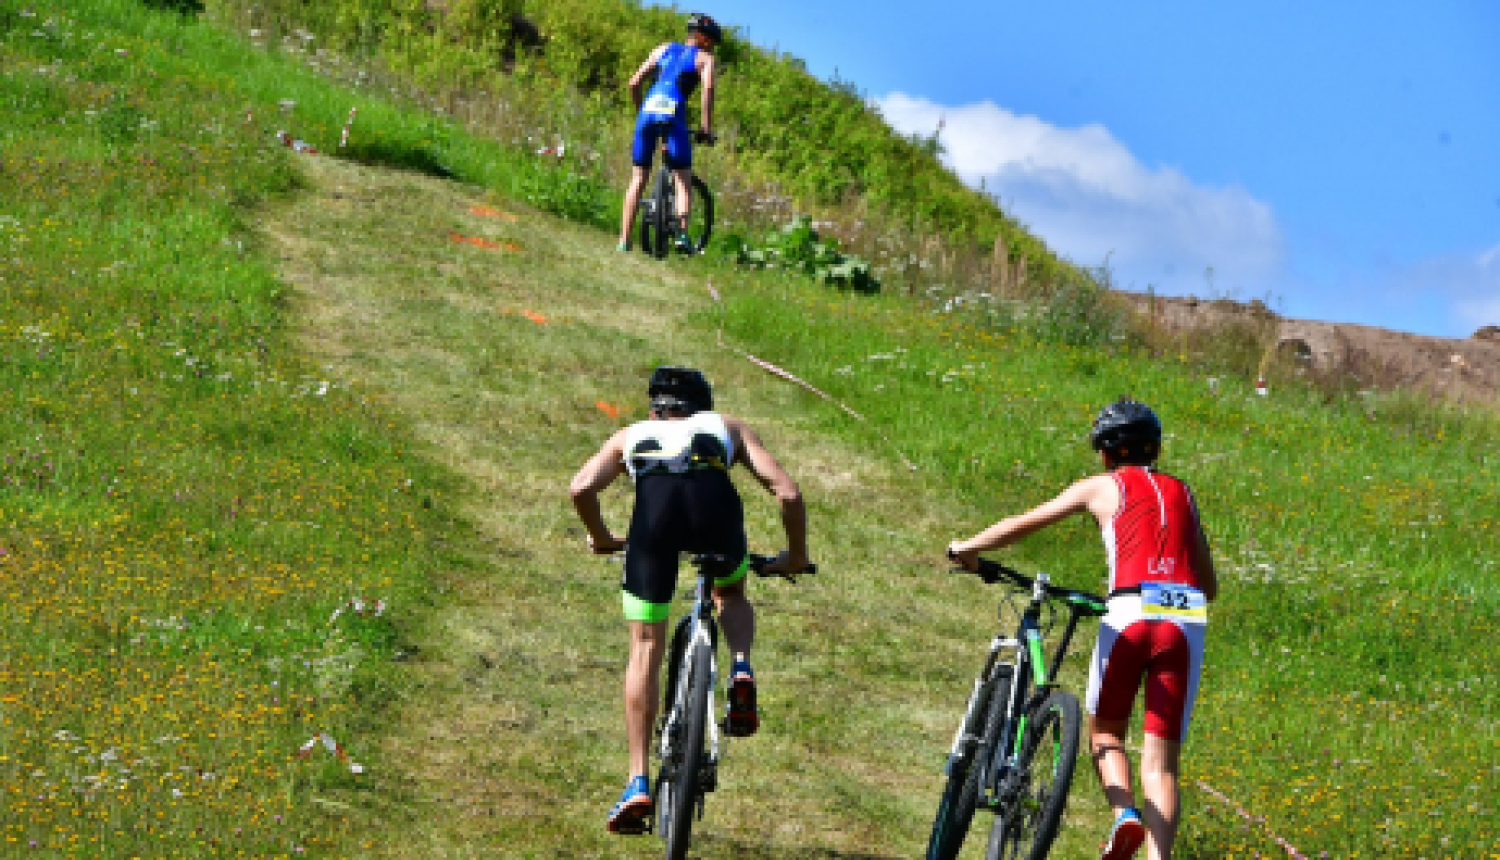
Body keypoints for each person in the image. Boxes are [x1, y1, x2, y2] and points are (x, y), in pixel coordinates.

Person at [947, 398, 1217, 860]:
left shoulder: (1100, 486)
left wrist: (966, 548)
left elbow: (1025, 522)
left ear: (1107, 453)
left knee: (1107, 734)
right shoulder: (1182, 492)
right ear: (1155, 449)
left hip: (1130, 611)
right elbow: (1209, 585)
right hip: (1186, 619)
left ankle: (1124, 816)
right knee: (1163, 765)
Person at [569, 365, 810, 834]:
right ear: (705, 405)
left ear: (656, 407)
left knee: (645, 649)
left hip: (653, 522)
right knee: (730, 589)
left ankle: (638, 779)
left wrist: (601, 537)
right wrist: (795, 556)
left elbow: (580, 488)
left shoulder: (629, 435)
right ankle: (741, 665)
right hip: (714, 511)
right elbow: (788, 491)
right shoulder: (728, 428)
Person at [617, 12, 721, 253]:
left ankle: (623, 240)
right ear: (705, 39)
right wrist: (706, 128)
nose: (713, 49)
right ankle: (682, 236)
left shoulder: (661, 49)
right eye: (713, 44)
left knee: (638, 178)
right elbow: (709, 89)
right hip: (673, 114)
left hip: (646, 113)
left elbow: (634, 83)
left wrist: (641, 112)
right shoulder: (705, 59)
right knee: (682, 178)